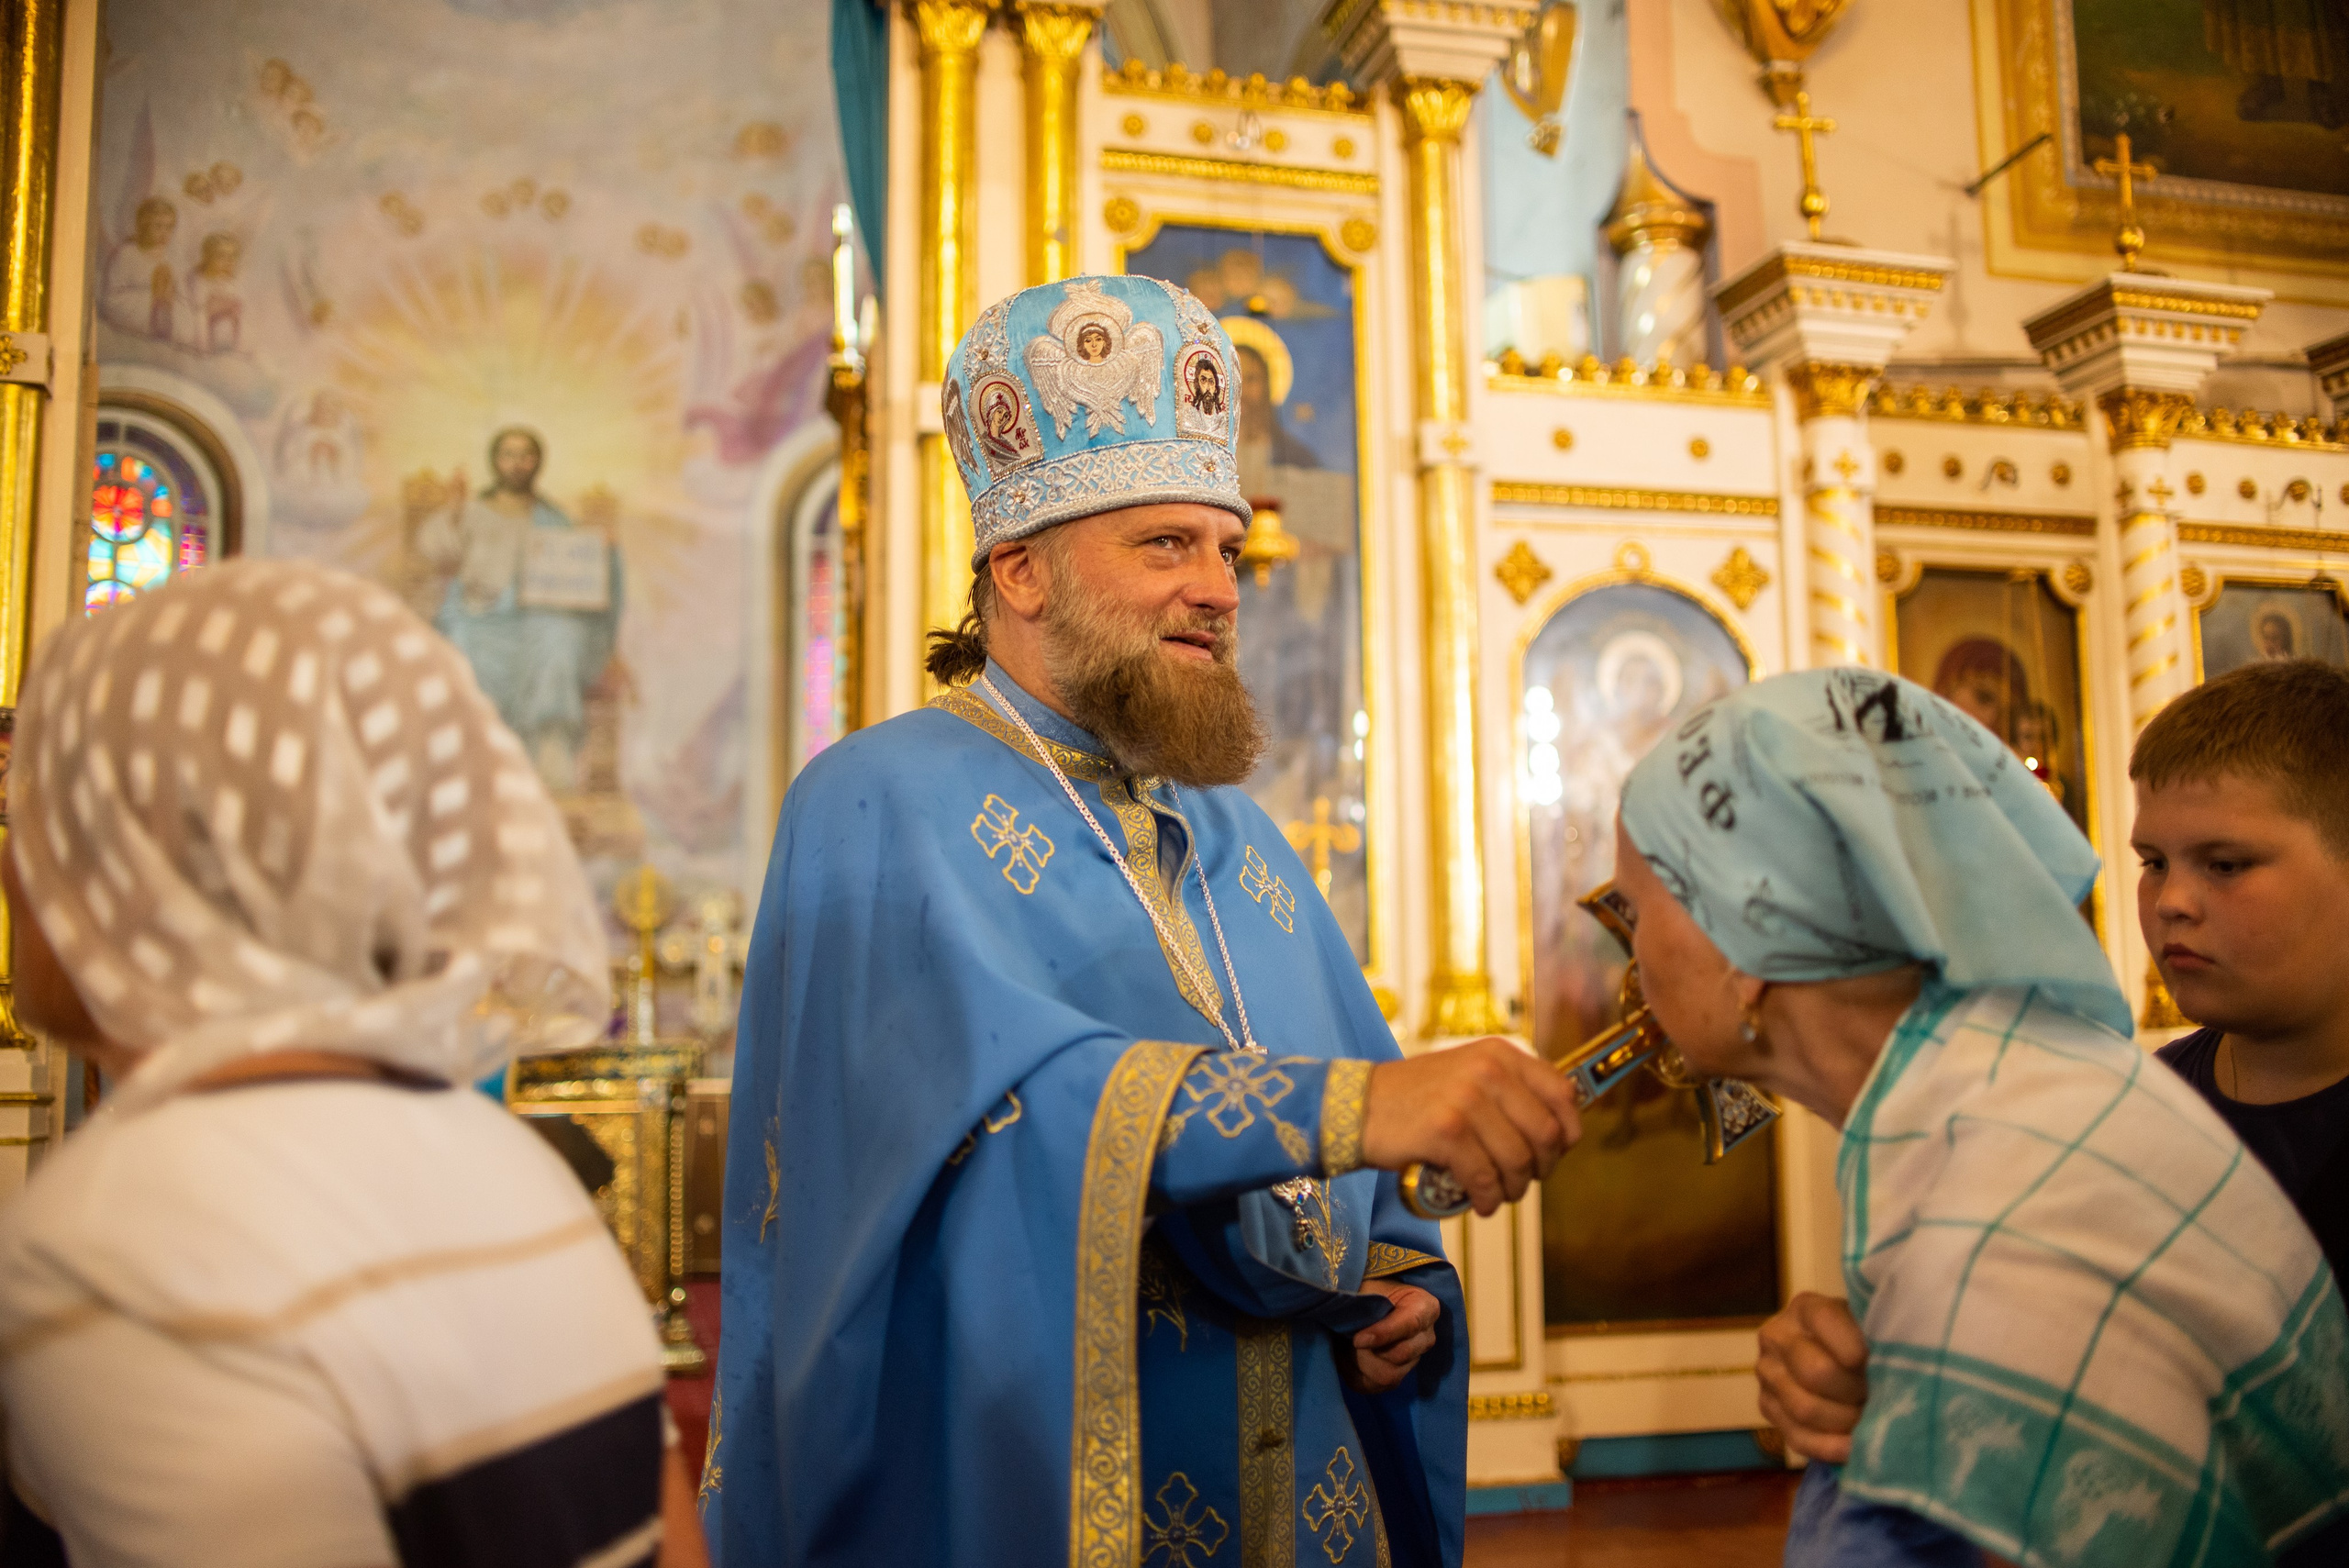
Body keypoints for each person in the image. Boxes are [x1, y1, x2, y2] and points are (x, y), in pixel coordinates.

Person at [708, 275, 1583, 1567]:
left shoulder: (1239, 835)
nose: (1223, 587)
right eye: (1167, 545)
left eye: (1229, 549)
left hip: (1307, 1481)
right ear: (1021, 569)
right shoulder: (878, 801)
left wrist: (1404, 1280)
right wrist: (1352, 1108)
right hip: (1045, 1490)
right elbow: (982, 1122)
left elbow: (1359, 1182)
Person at [0, 561, 706, 1567]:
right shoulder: (510, 1160)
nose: (11, 858)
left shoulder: (112, 1236)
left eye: (35, 808)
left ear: (140, 861)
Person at [1610, 667, 2349, 1566]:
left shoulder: (2006, 1199)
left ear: (1746, 940)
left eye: (1637, 911)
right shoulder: (1997, 1102)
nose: (1631, 956)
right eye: (2153, 861)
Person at [412, 426, 624, 795]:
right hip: (480, 614)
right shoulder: (473, 511)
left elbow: (577, 568)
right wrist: (456, 511)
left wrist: (604, 551)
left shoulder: (552, 518)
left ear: (536, 463)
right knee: (462, 638)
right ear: (495, 461)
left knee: (560, 634)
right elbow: (434, 549)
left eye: (525, 456)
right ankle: (474, 753)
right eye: (508, 455)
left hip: (535, 617)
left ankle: (550, 746)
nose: (516, 464)